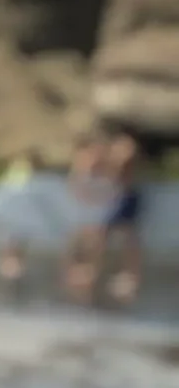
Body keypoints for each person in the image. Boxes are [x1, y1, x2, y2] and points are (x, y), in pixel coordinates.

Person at [62, 126, 148, 306]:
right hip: (104, 200)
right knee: (94, 236)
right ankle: (86, 274)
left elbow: (115, 179)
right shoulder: (95, 159)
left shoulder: (117, 156)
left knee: (111, 236)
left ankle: (119, 275)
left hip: (117, 199)